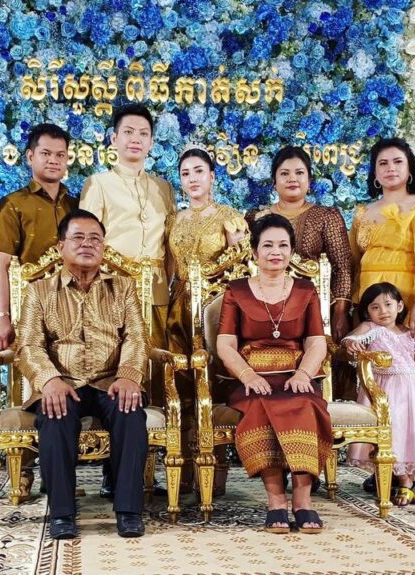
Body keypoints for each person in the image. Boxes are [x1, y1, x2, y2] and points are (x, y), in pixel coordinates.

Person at [15, 209, 150, 540]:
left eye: (95, 239)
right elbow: (28, 345)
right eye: (78, 237)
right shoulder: (38, 291)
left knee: (131, 412)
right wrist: (49, 380)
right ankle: (62, 513)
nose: (87, 244)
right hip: (63, 382)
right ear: (60, 246)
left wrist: (129, 375)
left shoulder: (124, 287)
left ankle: (129, 510)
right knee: (55, 415)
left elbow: (136, 336)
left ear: (103, 247)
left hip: (110, 381)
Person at [215, 214, 332, 534]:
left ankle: (303, 501)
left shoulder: (306, 290)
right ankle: (276, 501)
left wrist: (304, 374)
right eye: (267, 245)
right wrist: (248, 376)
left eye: (283, 245)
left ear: (292, 251)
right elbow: (225, 344)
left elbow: (316, 342)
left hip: (296, 375)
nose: (275, 252)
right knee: (259, 406)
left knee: (307, 405)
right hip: (250, 377)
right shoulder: (236, 291)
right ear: (254, 251)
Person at [80, 104, 175, 497]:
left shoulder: (163, 187)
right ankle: (113, 472)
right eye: (129, 132)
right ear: (114, 138)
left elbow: (170, 245)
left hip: (156, 294)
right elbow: (86, 240)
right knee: (114, 376)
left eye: (143, 133)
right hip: (112, 294)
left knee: (152, 376)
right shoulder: (99, 183)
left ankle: (146, 470)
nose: (136, 140)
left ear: (151, 142)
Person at [0, 123, 78, 497]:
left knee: (70, 388)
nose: (54, 161)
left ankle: (61, 473)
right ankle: (22, 471)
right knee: (29, 388)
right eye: (46, 154)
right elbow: (1, 267)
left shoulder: (75, 205)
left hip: (73, 316)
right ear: (30, 157)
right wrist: (2, 317)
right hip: (30, 316)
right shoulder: (14, 205)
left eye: (60, 155)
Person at [165, 144, 246, 494]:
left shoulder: (229, 216)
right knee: (179, 380)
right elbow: (169, 267)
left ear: (212, 176)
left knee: (211, 381)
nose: (192, 179)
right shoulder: (175, 219)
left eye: (199, 171)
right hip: (178, 307)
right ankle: (182, 467)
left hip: (215, 308)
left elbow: (241, 265)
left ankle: (215, 468)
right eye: (185, 173)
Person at [343, 282, 415, 506]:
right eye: (375, 307)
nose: (383, 311)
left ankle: (408, 483)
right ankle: (402, 483)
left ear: (399, 306)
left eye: (388, 304)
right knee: (394, 434)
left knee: (412, 434)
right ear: (367, 312)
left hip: (413, 390)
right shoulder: (371, 328)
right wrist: (351, 343)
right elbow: (351, 338)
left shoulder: (409, 332)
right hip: (387, 390)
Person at [245, 146, 353, 343]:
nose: (292, 178)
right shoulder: (255, 218)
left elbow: (342, 266)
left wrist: (340, 312)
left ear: (309, 181)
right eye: (284, 173)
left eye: (299, 173)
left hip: (314, 310)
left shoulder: (325, 216)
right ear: (274, 182)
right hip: (264, 307)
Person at [349, 138, 415, 339]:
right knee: (368, 356)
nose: (390, 168)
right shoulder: (362, 213)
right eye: (383, 163)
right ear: (375, 173)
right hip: (368, 299)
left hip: (405, 297)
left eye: (398, 161)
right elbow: (353, 262)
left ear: (410, 169)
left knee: (406, 355)